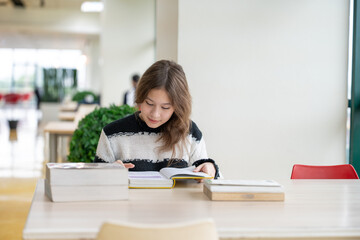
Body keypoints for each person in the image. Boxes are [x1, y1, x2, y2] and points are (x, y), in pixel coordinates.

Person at [94, 60, 219, 179]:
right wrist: (108, 174)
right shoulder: (112, 134)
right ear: (140, 97)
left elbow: (206, 179)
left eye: (165, 107)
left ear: (177, 107)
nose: (155, 114)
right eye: (149, 103)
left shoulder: (189, 132)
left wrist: (210, 168)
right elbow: (95, 185)